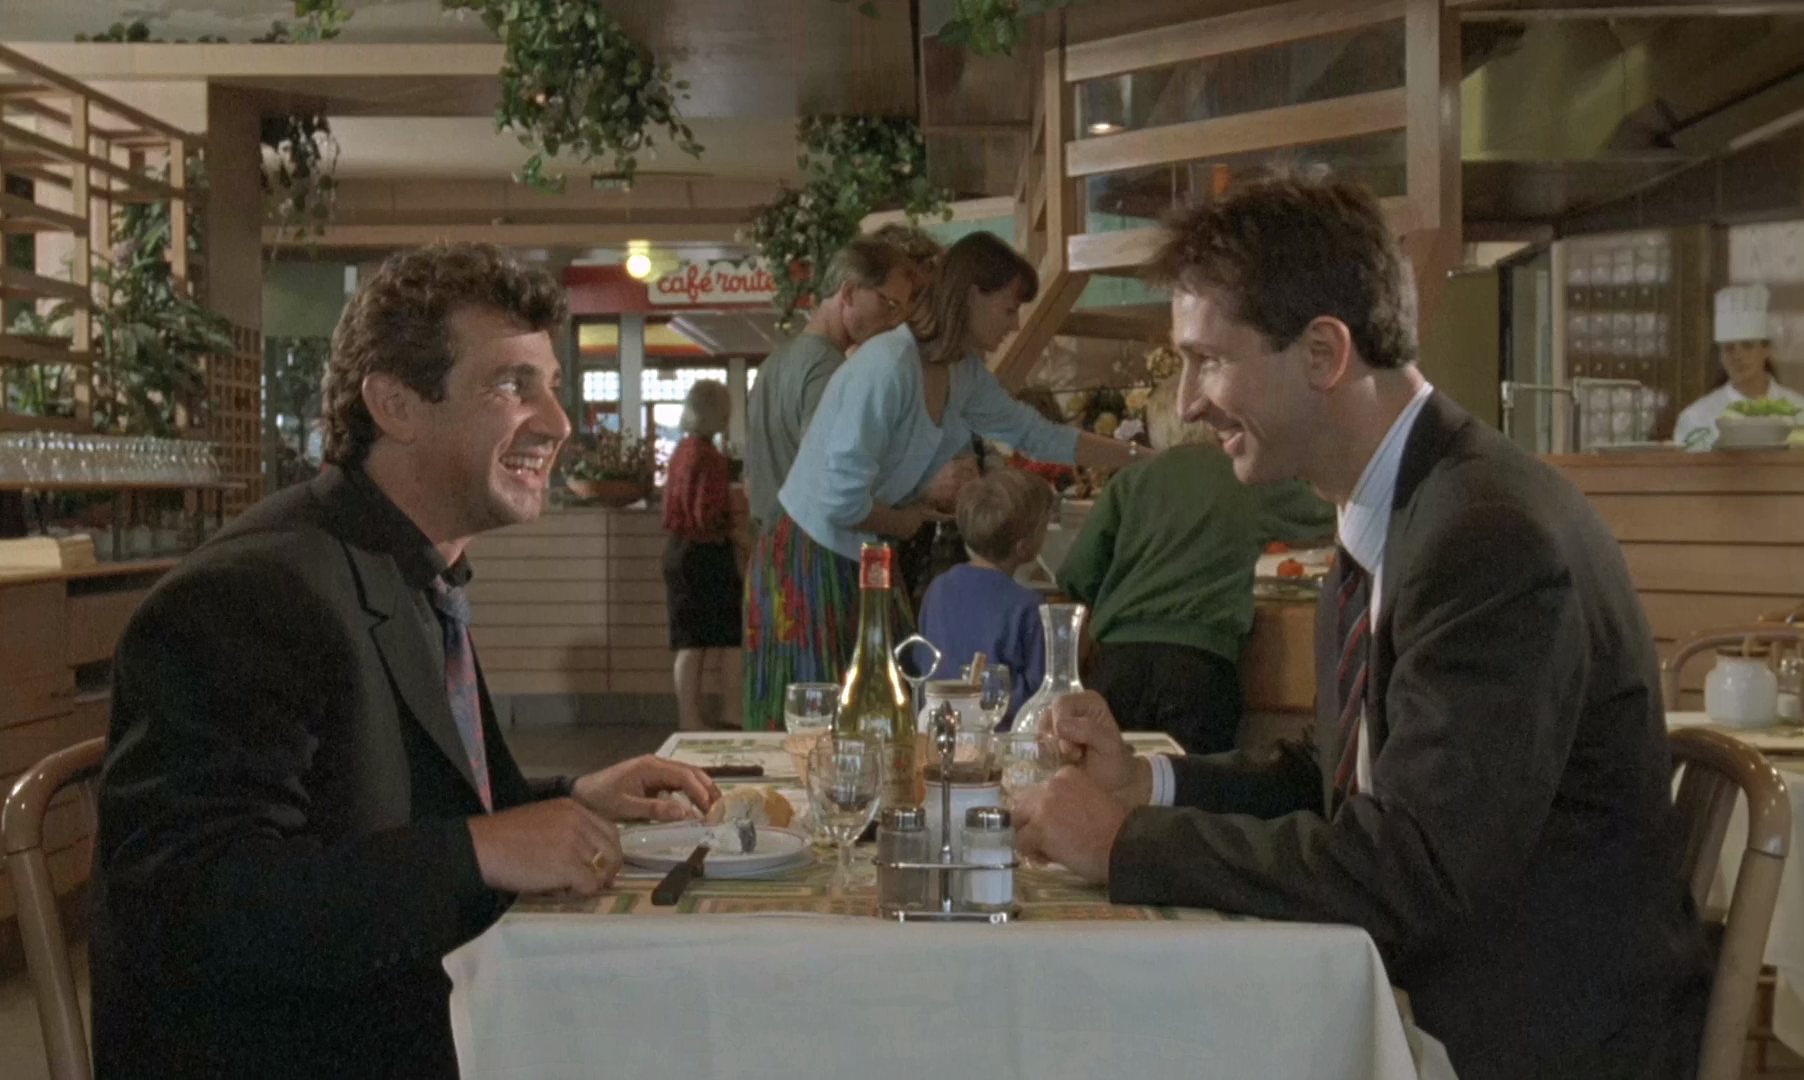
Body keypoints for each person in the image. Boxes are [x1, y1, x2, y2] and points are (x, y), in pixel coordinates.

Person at [1011, 178, 1709, 1080]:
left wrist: (1122, 844)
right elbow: (1338, 783)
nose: (1186, 405)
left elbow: (1417, 870)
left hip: (1530, 1042)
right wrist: (1149, 785)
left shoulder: (1485, 537)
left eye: (1208, 360)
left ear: (1324, 353)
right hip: (1444, 998)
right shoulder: (1398, 505)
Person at [88, 243, 720, 1079]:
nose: (558, 424)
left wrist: (570, 798)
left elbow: (389, 817)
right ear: (395, 405)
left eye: (552, 386)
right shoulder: (254, 595)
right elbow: (196, 906)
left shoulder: (410, 568)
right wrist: (482, 850)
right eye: (512, 386)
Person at [743, 231, 1147, 729]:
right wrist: (910, 516)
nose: (1014, 324)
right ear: (972, 294)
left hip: (861, 550)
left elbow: (1036, 434)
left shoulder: (960, 372)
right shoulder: (890, 363)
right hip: (812, 556)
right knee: (824, 720)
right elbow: (838, 501)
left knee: (874, 720)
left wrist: (1136, 456)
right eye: (1009, 308)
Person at [1057, 375, 1333, 753]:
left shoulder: (1129, 482)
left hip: (1118, 663)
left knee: (1110, 780)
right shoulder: (1245, 475)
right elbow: (1327, 510)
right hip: (1199, 664)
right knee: (1194, 783)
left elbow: (1077, 572)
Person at [743, 236, 914, 532]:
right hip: (809, 546)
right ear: (849, 292)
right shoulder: (829, 370)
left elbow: (750, 482)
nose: (893, 321)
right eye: (888, 304)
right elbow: (832, 487)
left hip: (768, 542)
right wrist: (902, 521)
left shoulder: (772, 364)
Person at [915, 468, 1058, 724]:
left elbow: (923, 662)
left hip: (937, 722)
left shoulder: (937, 589)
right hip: (999, 732)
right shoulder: (1028, 605)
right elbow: (1039, 692)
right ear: (1023, 547)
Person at [662, 379, 744, 731]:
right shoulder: (710, 458)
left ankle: (689, 719)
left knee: (690, 642)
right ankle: (732, 713)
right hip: (706, 555)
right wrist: (739, 538)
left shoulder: (682, 451)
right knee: (729, 639)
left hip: (678, 551)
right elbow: (707, 515)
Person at [1673, 283, 1804, 449]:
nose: (1738, 357)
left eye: (1748, 346)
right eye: (1729, 348)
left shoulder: (1798, 410)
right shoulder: (1697, 418)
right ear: (1720, 356)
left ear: (1767, 350)